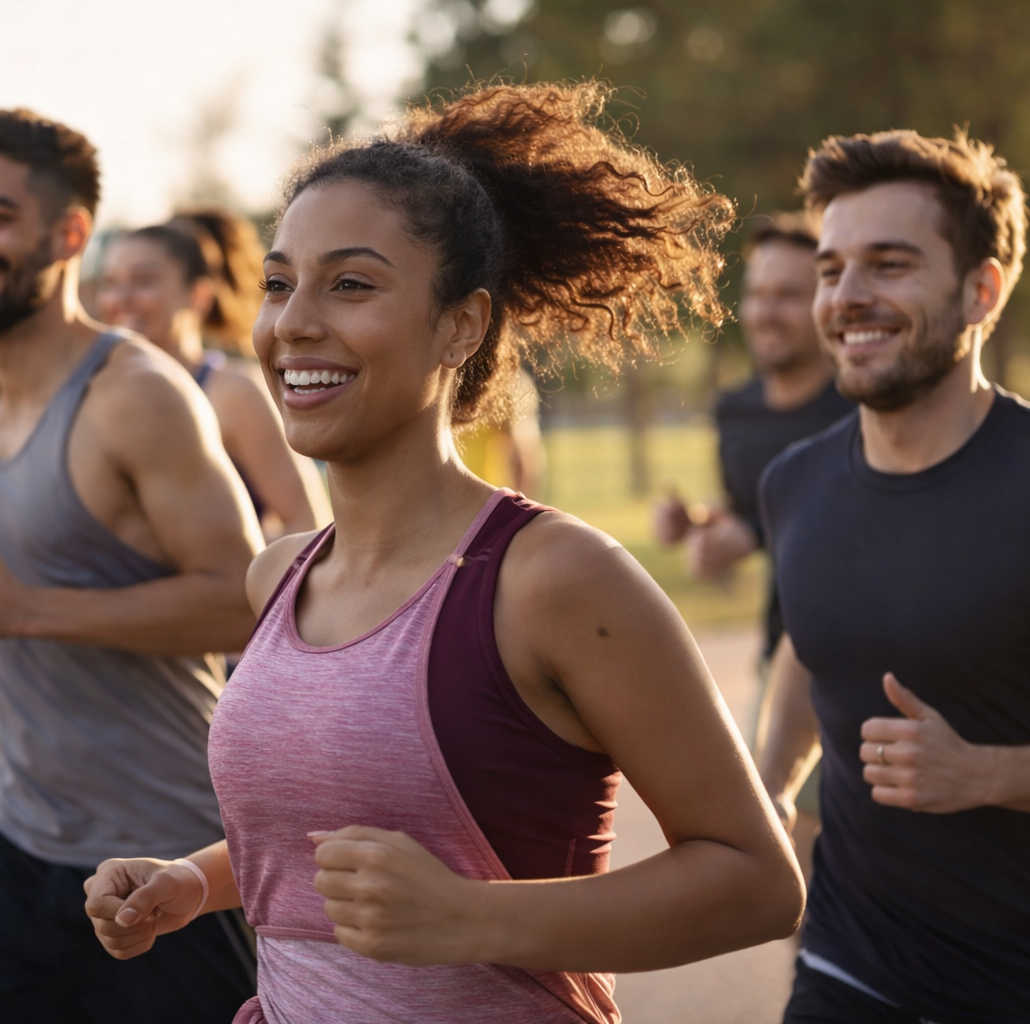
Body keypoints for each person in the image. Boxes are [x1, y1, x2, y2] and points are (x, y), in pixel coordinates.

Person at [84, 82, 804, 1024]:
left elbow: (756, 881)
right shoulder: (282, 574)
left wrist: (474, 919)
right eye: (277, 282)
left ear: (461, 325)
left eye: (350, 283)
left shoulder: (550, 579)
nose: (293, 321)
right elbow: (331, 845)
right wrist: (192, 879)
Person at [0, 109, 263, 1023]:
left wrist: (25, 608)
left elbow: (242, 600)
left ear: (69, 234)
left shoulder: (138, 395)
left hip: (168, 855)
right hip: (23, 841)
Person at [757, 130, 1030, 1023]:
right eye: (832, 270)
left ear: (980, 290)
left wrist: (981, 773)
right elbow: (812, 637)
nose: (848, 298)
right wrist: (767, 792)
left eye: (890, 265)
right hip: (848, 962)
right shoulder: (793, 483)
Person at [654, 213, 851, 656]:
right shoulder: (734, 411)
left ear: (829, 301)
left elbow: (862, 520)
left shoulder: (861, 410)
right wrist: (696, 523)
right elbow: (748, 510)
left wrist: (756, 535)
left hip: (868, 655)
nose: (766, 313)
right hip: (782, 649)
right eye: (757, 294)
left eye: (788, 295)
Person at [98, 209, 330, 539]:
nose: (121, 299)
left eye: (143, 281)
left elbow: (307, 524)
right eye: (110, 283)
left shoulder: (233, 392)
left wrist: (241, 577)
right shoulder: (96, 392)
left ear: (199, 295)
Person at [454, 366, 546, 496]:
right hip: (458, 498)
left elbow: (523, 455)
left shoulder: (508, 383)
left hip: (490, 498)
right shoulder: (454, 376)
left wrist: (518, 509)